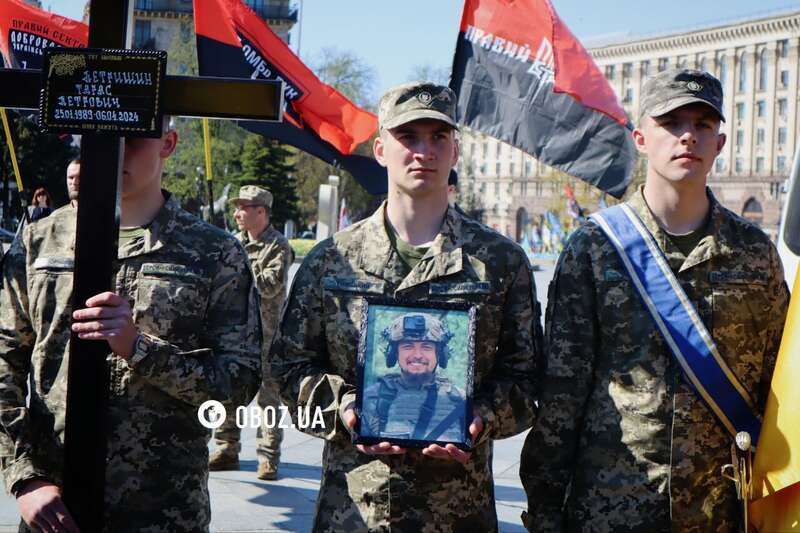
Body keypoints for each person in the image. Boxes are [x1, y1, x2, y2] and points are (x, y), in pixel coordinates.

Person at [519, 68, 791, 531]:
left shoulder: (755, 253)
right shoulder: (595, 248)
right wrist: (545, 510)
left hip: (721, 511)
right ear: (641, 138)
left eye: (703, 124)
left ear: (719, 143)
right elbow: (563, 396)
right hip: (611, 508)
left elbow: (778, 385)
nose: (688, 136)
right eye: (671, 123)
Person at [269, 81, 542, 532]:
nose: (424, 151)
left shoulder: (499, 262)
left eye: (438, 138)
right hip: (354, 508)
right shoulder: (333, 260)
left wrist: (482, 417)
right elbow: (286, 370)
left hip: (458, 511)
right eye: (408, 137)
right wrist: (347, 410)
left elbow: (528, 378)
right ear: (380, 150)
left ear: (456, 152)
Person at [0, 121, 263, 532]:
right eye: (101, 134)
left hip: (163, 509)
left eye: (133, 137)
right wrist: (24, 476)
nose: (115, 149)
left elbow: (239, 381)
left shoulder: (214, 252)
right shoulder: (40, 240)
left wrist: (139, 349)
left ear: (169, 144)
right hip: (54, 504)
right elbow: (3, 361)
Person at [209, 184, 294, 481]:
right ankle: (226, 448)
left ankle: (268, 456)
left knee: (269, 399)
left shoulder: (278, 246)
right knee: (227, 391)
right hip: (234, 334)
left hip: (268, 336)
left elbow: (270, 287)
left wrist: (238, 270)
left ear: (261, 211)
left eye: (243, 207)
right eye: (236, 207)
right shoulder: (232, 243)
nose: (237, 213)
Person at [361, 313, 465, 443]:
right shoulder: (372, 398)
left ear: (440, 354)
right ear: (394, 353)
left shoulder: (460, 400)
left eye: (426, 347)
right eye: (408, 346)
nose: (417, 355)